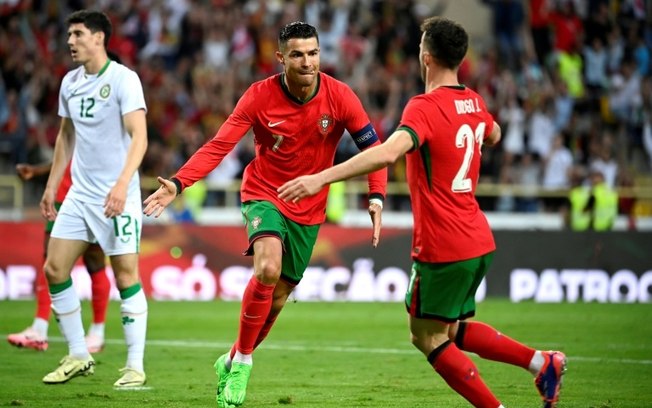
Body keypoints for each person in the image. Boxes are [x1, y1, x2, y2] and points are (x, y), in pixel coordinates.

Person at [279, 17, 567, 408]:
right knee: (449, 328)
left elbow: (386, 152)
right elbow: (493, 131)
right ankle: (540, 362)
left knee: (426, 336)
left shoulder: (424, 107)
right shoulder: (475, 101)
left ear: (426, 57)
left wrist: (320, 179)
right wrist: (480, 129)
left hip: (444, 244)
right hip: (478, 238)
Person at [143, 21, 387, 407]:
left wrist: (376, 197)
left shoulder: (341, 97)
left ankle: (232, 357)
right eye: (297, 55)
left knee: (278, 297)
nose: (307, 62)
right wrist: (179, 182)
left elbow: (375, 150)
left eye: (313, 53)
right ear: (281, 58)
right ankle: (243, 364)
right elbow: (219, 145)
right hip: (265, 194)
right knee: (267, 269)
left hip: (309, 208)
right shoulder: (259, 97)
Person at [40, 10, 148, 388]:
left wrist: (121, 185)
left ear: (99, 38)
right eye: (69, 34)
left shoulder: (123, 79)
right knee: (54, 269)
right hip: (80, 195)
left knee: (125, 276)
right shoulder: (69, 83)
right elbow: (65, 136)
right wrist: (53, 185)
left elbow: (140, 137)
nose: (70, 41)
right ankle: (77, 354)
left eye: (78, 34)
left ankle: (135, 366)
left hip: (117, 196)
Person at [8, 161, 111, 353]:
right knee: (51, 263)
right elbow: (65, 152)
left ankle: (97, 332)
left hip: (93, 195)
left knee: (94, 263)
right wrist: (38, 170)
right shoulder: (70, 130)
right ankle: (39, 328)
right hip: (63, 197)